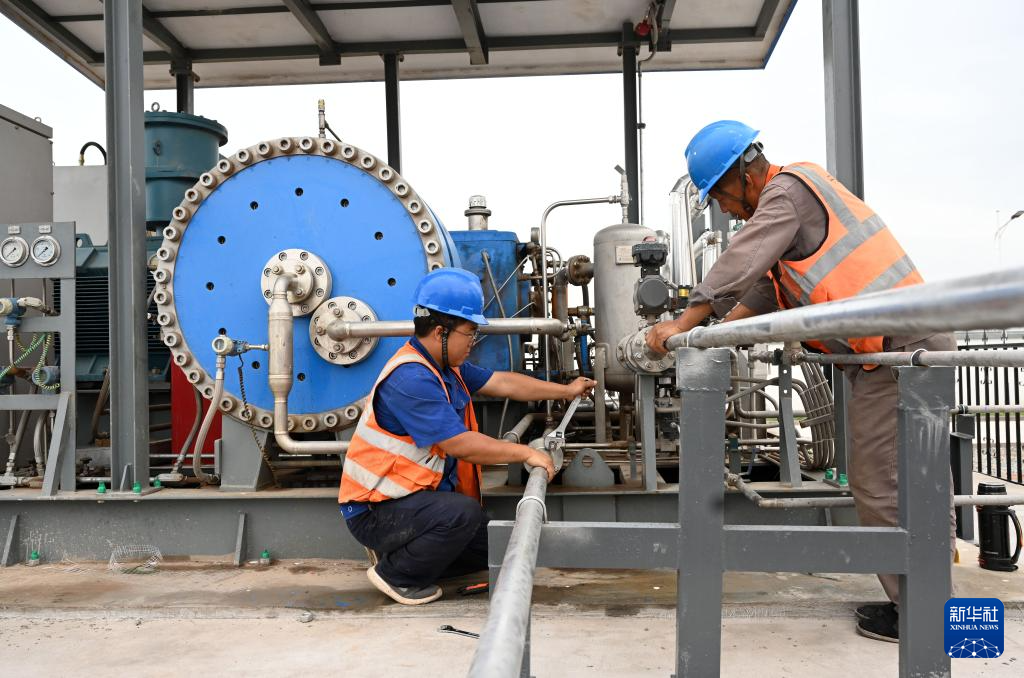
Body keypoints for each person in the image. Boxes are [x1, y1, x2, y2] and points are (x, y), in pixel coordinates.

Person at [647, 120, 957, 642]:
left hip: (902, 354)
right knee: (915, 481)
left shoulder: (787, 192)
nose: (725, 210)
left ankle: (923, 617)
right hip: (902, 349)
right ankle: (932, 606)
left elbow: (743, 257)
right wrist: (718, 332)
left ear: (745, 174)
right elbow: (766, 290)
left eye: (720, 196)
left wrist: (682, 322)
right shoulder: (794, 204)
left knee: (881, 484)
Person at [339, 267, 594, 605]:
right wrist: (525, 453)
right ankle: (396, 574)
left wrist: (566, 390)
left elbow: (504, 382)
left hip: (410, 501)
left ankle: (405, 552)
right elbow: (460, 444)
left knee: (491, 548)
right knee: (463, 515)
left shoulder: (446, 367)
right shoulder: (411, 378)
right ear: (440, 332)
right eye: (470, 332)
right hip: (375, 510)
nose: (474, 342)